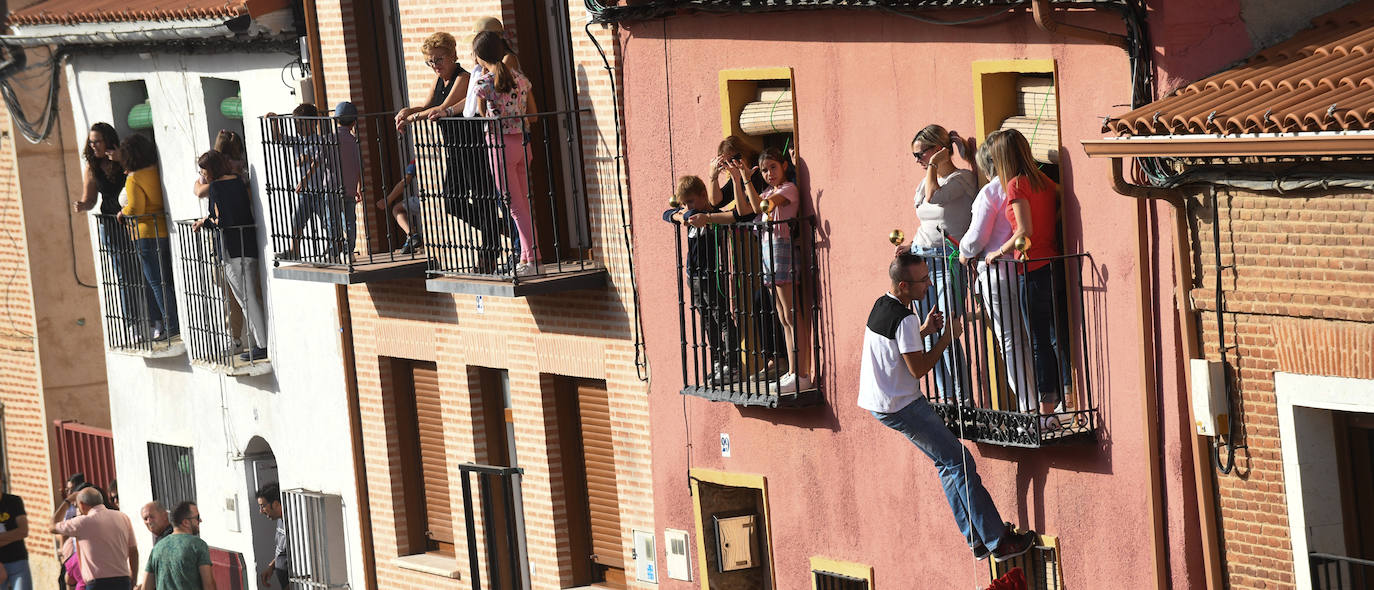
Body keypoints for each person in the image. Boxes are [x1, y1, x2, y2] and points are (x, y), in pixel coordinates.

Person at [861, 253, 1036, 562]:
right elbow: (919, 369)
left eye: (928, 276)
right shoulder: (905, 318)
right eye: (922, 280)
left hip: (884, 403)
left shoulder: (883, 305)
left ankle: (977, 539)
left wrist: (925, 331)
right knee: (961, 463)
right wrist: (944, 338)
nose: (928, 284)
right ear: (903, 285)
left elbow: (899, 348)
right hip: (901, 405)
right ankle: (997, 542)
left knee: (947, 463)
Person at [397, 31, 510, 273]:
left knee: (483, 200)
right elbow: (428, 106)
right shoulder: (440, 80)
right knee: (451, 200)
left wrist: (414, 118)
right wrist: (408, 110)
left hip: (473, 147)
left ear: (452, 55)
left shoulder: (463, 78)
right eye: (430, 61)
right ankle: (499, 228)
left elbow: (442, 108)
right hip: (455, 150)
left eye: (439, 59)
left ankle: (490, 252)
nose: (434, 65)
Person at [986, 128, 1064, 428]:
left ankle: (1046, 408)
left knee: (1038, 340)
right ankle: (1062, 397)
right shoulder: (1043, 180)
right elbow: (1058, 205)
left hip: (1030, 267)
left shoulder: (1017, 185)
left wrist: (997, 253)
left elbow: (1024, 230)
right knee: (1054, 337)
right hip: (1052, 261)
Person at [898, 124, 977, 405]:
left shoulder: (962, 179)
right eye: (915, 156)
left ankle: (963, 400)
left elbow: (935, 197)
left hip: (949, 263)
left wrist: (933, 166)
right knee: (929, 333)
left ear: (939, 150)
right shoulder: (924, 182)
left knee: (946, 331)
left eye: (921, 154)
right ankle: (946, 399)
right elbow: (928, 220)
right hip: (923, 261)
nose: (918, 160)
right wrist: (911, 246)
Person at [958, 139, 1036, 412]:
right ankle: (1045, 403)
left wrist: (963, 251)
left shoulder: (990, 192)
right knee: (1030, 336)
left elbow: (977, 237)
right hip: (1024, 269)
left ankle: (1029, 407)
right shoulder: (1025, 184)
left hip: (997, 271)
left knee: (1010, 341)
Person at [735, 147, 812, 393]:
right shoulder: (768, 190)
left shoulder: (787, 189)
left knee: (791, 313)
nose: (769, 173)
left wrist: (747, 179)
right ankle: (791, 371)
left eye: (773, 167)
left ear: (784, 167)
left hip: (782, 248)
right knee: (781, 316)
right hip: (769, 252)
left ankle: (801, 373)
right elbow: (744, 210)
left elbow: (760, 208)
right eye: (766, 170)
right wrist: (739, 179)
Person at [73, 125, 154, 342]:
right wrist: (83, 205)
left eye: (97, 141)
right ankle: (133, 325)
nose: (93, 145)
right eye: (91, 142)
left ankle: (155, 320)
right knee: (124, 275)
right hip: (110, 224)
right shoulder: (92, 167)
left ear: (108, 140)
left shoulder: (123, 160)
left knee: (143, 270)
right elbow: (90, 199)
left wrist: (120, 159)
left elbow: (139, 172)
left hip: (131, 222)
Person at [471, 30, 539, 277]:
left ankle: (531, 260)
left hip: (500, 148)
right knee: (524, 204)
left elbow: (480, 114)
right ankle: (527, 257)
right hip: (523, 145)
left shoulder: (484, 84)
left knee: (514, 207)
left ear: (479, 56)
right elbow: (533, 114)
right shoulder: (521, 79)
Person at [193, 150, 269, 363]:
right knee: (250, 297)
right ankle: (259, 343)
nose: (203, 175)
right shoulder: (237, 181)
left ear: (212, 170)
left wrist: (203, 223)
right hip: (248, 245)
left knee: (246, 299)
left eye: (204, 171)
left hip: (230, 250)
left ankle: (261, 345)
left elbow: (220, 220)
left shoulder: (216, 188)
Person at [666, 176, 741, 386]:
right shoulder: (689, 216)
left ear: (702, 195)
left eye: (691, 201)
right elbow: (667, 214)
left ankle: (733, 365)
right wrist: (680, 216)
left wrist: (705, 218)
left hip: (711, 275)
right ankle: (719, 361)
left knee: (722, 319)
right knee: (708, 320)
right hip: (694, 276)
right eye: (685, 203)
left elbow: (731, 217)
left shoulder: (713, 216)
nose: (688, 206)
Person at [115, 133, 178, 341]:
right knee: (166, 280)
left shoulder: (133, 179)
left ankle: (171, 325)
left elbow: (137, 208)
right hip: (161, 229)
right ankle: (175, 322)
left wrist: (122, 213)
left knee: (155, 282)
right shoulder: (155, 172)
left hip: (143, 233)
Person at [194, 130, 252, 353]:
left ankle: (238, 338)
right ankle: (238, 337)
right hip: (230, 236)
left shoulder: (226, 175)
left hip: (227, 237)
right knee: (230, 288)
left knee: (232, 290)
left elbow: (199, 190)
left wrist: (217, 184)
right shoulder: (228, 170)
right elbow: (199, 189)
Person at [51, 487, 138, 590]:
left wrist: (68, 501)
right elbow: (133, 551)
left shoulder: (81, 522)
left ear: (82, 505)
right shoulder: (123, 517)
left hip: (97, 584)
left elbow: (52, 526)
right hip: (123, 581)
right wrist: (133, 579)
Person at [140, 502, 214, 590]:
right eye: (197, 518)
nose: (200, 520)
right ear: (186, 522)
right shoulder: (198, 545)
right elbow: (208, 585)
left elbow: (145, 587)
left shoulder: (157, 548)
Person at [334, 102, 364, 259]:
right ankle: (348, 251)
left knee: (332, 220)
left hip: (332, 187)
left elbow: (320, 161)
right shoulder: (354, 142)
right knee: (350, 221)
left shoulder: (330, 139)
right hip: (350, 188)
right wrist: (359, 188)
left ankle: (333, 250)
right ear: (354, 122)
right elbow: (358, 167)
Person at [376, 160, 422, 253]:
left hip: (422, 199)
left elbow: (405, 181)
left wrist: (387, 200)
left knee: (397, 209)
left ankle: (412, 235)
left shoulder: (416, 161)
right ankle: (411, 238)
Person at [255, 485, 289, 589]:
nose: (261, 511)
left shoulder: (292, 524)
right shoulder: (280, 519)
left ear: (275, 504)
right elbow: (283, 551)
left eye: (263, 506)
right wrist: (272, 566)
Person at [0, 478, 30, 590]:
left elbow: (23, 531)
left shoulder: (14, 501)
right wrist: (13, 535)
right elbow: (18, 532)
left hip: (18, 561)